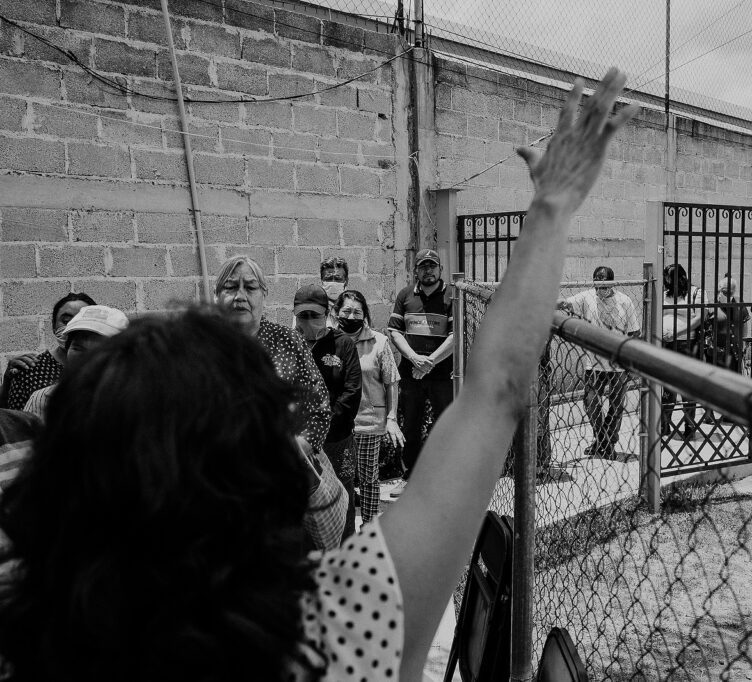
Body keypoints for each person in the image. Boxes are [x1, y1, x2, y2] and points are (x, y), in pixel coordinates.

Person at [0, 68, 636, 680]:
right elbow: (496, 390)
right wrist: (551, 209)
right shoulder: (341, 629)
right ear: (259, 483)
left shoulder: (30, 637)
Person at [215, 255, 332, 453]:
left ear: (264, 294)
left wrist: (292, 453)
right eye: (231, 287)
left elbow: (318, 409)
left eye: (251, 288)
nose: (240, 296)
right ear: (216, 296)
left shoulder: (288, 341)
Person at [293, 284, 362, 540]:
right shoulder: (290, 344)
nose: (308, 321)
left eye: (315, 315)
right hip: (301, 445)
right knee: (308, 502)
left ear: (328, 313)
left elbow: (351, 392)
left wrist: (321, 429)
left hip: (336, 440)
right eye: (303, 316)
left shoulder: (342, 345)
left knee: (341, 497)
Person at [337, 290, 404, 524]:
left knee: (368, 479)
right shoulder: (331, 341)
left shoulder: (379, 342)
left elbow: (391, 381)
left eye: (357, 311)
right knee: (340, 478)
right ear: (337, 313)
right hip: (338, 424)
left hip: (368, 421)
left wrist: (392, 418)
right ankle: (342, 528)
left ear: (365, 314)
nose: (351, 315)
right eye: (346, 311)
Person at [559, 265, 641, 457]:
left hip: (618, 363)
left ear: (612, 283)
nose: (600, 289)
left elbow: (634, 333)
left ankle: (607, 444)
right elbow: (564, 303)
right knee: (590, 402)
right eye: (597, 284)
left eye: (604, 285)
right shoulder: (587, 297)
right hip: (594, 362)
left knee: (616, 406)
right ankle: (602, 438)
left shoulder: (625, 301)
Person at [387, 248, 454, 478]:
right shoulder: (405, 295)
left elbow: (457, 336)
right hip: (410, 373)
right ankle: (410, 477)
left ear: (440, 269)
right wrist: (414, 359)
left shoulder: (451, 296)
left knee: (444, 425)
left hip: (442, 374)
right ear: (415, 271)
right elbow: (394, 332)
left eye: (432, 266)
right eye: (423, 266)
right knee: (410, 426)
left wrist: (430, 362)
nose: (428, 271)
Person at [22, 305, 129, 421]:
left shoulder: (138, 401)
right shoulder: (43, 399)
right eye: (78, 348)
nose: (86, 358)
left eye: (98, 351)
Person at [0, 292, 96, 411]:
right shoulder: (30, 368)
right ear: (53, 326)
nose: (73, 327)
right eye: (65, 321)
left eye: (81, 320)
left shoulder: (109, 368)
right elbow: (14, 421)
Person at [660, 264, 705, 441]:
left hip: (686, 343)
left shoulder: (695, 293)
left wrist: (676, 333)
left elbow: (700, 317)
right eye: (666, 279)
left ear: (682, 278)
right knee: (667, 387)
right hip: (666, 344)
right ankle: (664, 425)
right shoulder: (665, 294)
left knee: (687, 387)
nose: (668, 282)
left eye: (671, 278)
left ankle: (689, 426)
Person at [320, 256, 349, 329]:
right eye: (328, 279)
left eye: (337, 279)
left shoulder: (355, 307)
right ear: (322, 281)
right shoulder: (311, 307)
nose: (333, 283)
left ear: (346, 281)